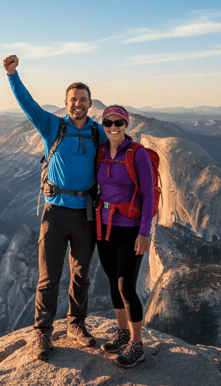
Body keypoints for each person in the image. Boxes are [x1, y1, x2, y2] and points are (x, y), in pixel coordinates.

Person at [3, 54, 108, 361]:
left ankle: (76, 324)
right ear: (65, 103)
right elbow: (28, 105)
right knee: (49, 277)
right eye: (73, 99)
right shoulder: (53, 126)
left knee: (81, 274)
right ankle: (43, 333)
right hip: (55, 212)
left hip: (86, 213)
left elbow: (121, 145)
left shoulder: (97, 132)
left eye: (83, 99)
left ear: (90, 104)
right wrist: (12, 75)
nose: (78, 104)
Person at [94, 105, 155, 368]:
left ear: (126, 125)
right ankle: (122, 334)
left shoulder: (137, 154)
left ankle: (137, 345)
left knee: (126, 285)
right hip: (104, 228)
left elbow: (149, 194)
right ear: (104, 126)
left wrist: (144, 233)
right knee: (112, 281)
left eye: (119, 122)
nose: (113, 127)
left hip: (130, 230)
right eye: (108, 123)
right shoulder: (102, 153)